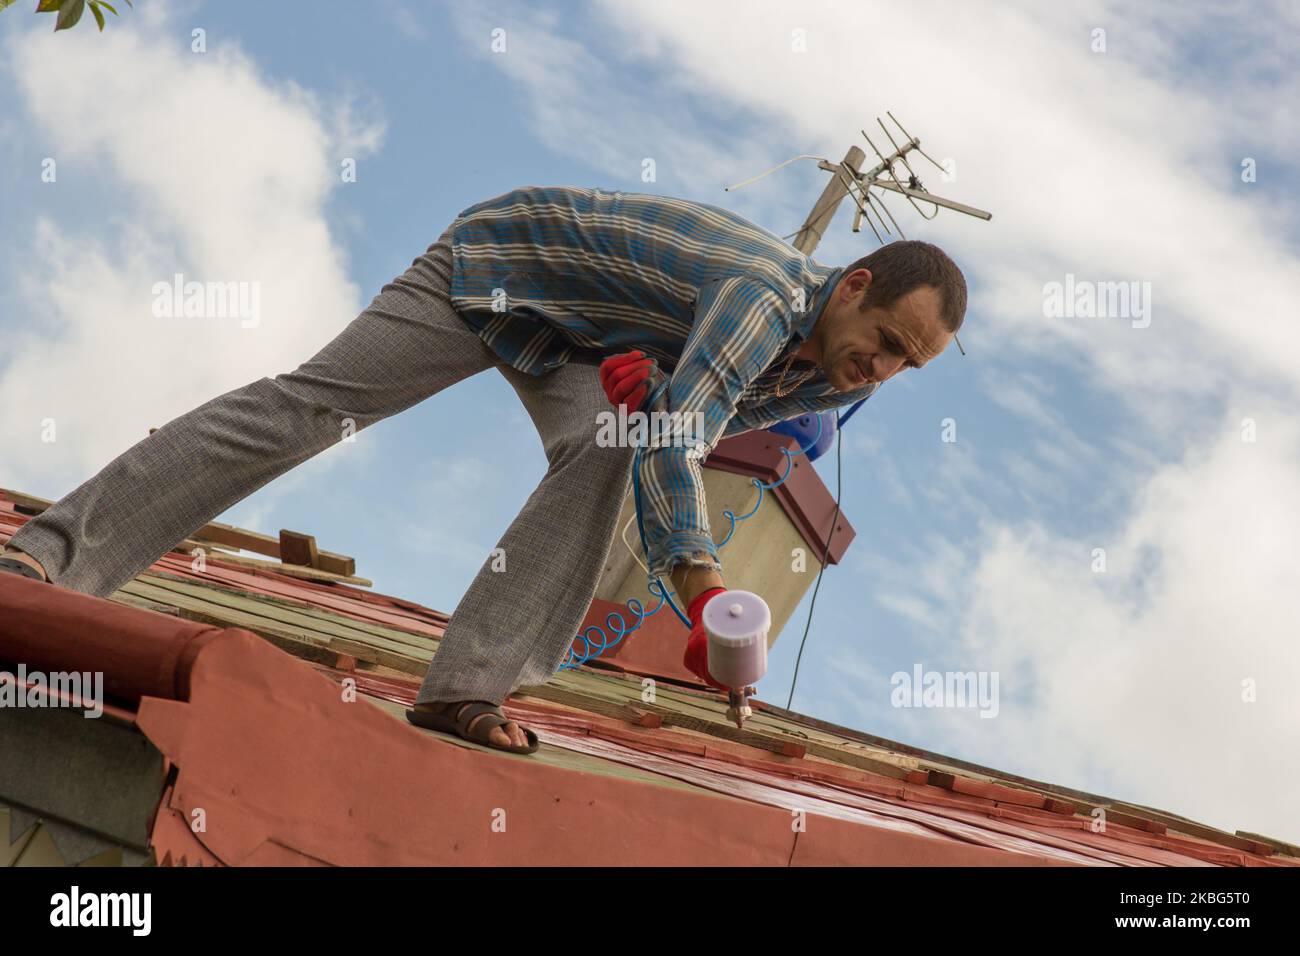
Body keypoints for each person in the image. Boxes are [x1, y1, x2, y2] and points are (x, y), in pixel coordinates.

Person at [0, 185, 966, 754]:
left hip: (591, 339)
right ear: (851, 286)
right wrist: (707, 590)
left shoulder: (840, 382)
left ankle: (465, 690)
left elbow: (680, 417)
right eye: (881, 340)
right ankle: (50, 558)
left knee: (606, 448)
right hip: (500, 268)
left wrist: (660, 378)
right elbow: (686, 431)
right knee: (312, 410)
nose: (879, 369)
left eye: (903, 366)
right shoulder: (762, 295)